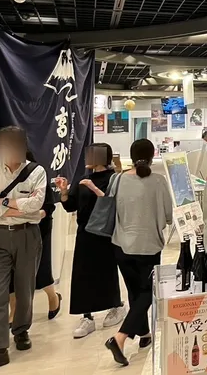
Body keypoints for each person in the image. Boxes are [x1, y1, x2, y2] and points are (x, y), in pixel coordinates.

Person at [105, 139, 173, 367]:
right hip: (149, 246)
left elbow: (111, 209)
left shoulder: (118, 179)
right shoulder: (159, 181)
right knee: (147, 293)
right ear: (153, 155)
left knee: (135, 292)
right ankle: (120, 337)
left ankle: (144, 335)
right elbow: (168, 216)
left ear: (132, 156)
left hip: (121, 246)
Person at [0, 127, 46, 371]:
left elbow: (37, 204)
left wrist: (5, 203)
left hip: (27, 236)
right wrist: (22, 209)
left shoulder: (36, 172)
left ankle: (21, 330)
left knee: (25, 290)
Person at [54, 143, 126, 340]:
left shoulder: (114, 179)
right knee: (82, 274)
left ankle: (116, 306)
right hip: (84, 232)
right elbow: (71, 206)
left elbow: (114, 204)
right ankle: (87, 316)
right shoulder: (83, 178)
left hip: (105, 233)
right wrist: (64, 192)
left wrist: (94, 189)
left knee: (106, 271)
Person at [7, 149, 60, 326]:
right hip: (12, 230)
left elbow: (49, 206)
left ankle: (53, 297)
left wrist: (35, 215)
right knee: (11, 272)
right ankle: (14, 311)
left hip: (38, 230)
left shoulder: (38, 175)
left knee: (41, 271)